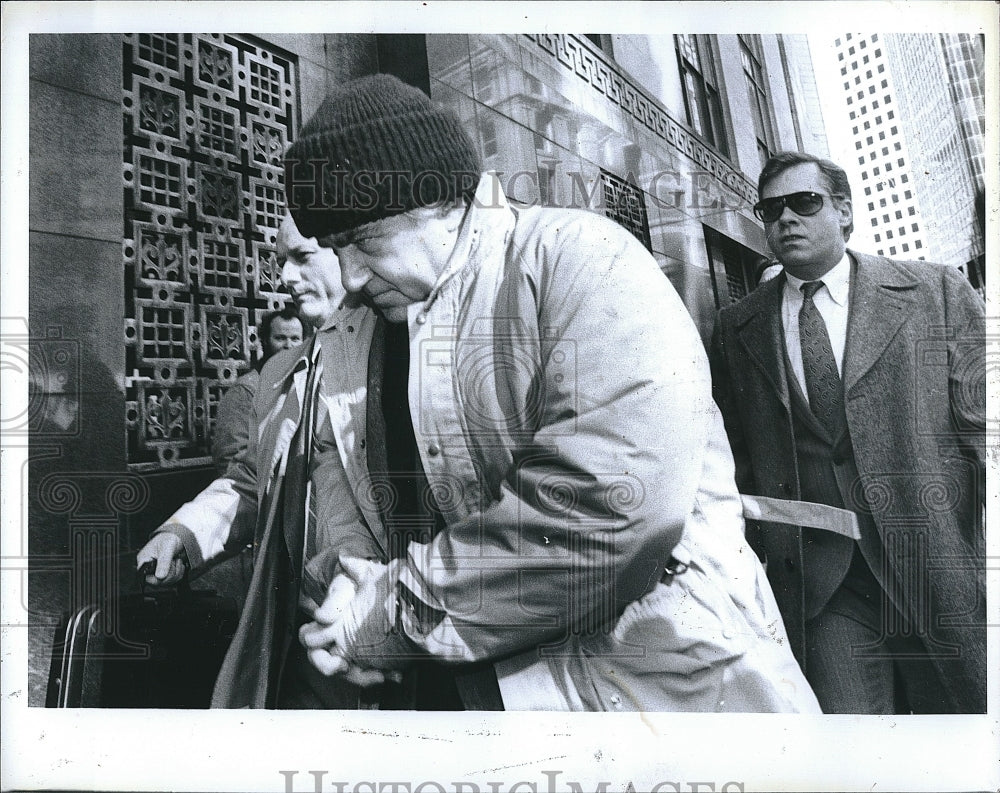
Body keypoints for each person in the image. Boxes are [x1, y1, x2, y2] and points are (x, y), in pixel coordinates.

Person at [278, 73, 819, 712]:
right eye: (337, 249)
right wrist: (347, 590)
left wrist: (393, 615)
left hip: (663, 703)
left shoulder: (583, 263)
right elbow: (344, 489)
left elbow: (610, 508)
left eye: (364, 242)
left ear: (442, 204)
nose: (353, 276)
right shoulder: (356, 335)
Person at [710, 151, 986, 714]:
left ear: (844, 212)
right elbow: (733, 458)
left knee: (967, 741)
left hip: (937, 563)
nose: (785, 219)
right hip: (826, 588)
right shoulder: (738, 327)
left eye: (804, 203)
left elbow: (986, 432)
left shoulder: (936, 293)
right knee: (863, 759)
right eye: (770, 210)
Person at [136, 211, 387, 708]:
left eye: (301, 257)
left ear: (349, 251)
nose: (286, 278)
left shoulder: (401, 354)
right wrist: (183, 536)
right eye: (280, 261)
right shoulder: (280, 372)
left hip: (383, 639)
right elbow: (254, 480)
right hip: (298, 642)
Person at [211, 305, 306, 475]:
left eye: (295, 338)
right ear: (265, 341)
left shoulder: (305, 383)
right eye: (280, 338)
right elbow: (229, 458)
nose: (289, 345)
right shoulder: (246, 390)